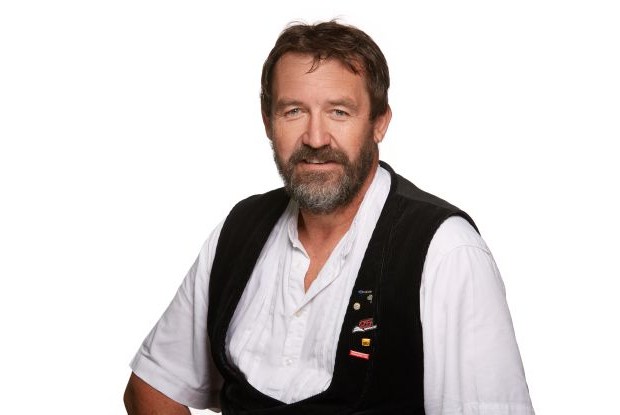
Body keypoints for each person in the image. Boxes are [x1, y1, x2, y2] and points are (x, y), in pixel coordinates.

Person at [124, 21, 534, 415]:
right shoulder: (239, 230)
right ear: (267, 122)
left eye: (339, 112)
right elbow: (151, 386)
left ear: (379, 123)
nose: (316, 139)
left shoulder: (446, 251)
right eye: (293, 111)